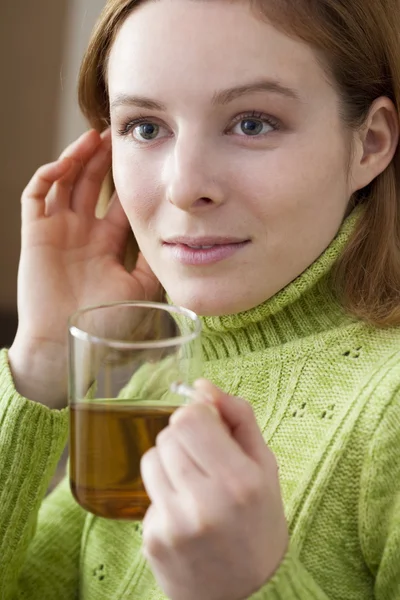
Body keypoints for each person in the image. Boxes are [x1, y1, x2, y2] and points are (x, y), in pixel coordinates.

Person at [1, 0, 400, 597]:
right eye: (146, 128)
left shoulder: (388, 406)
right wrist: (40, 362)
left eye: (252, 123)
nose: (185, 187)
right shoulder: (150, 385)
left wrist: (247, 586)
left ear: (368, 143)